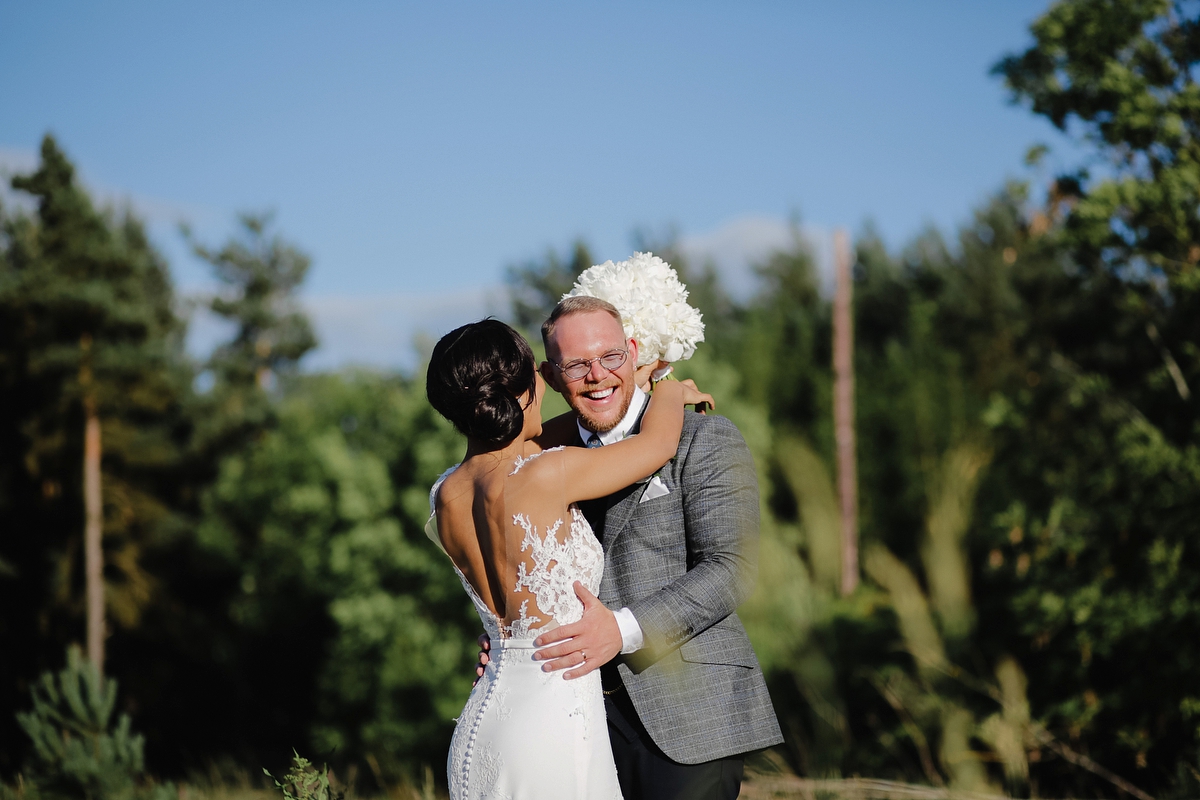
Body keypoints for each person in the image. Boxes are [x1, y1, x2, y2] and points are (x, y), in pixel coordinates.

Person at [476, 296, 783, 800]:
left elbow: (733, 567)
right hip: (574, 717)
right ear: (552, 377)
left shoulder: (703, 438)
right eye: (576, 364)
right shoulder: (541, 464)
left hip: (690, 716)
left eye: (610, 357)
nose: (597, 375)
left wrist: (620, 631)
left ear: (633, 352)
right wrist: (508, 636)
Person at [424, 318, 713, 800]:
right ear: (520, 391)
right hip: (552, 720)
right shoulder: (549, 473)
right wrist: (665, 389)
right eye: (537, 376)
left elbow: (529, 440)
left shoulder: (446, 494)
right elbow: (656, 444)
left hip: (483, 723)